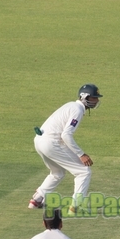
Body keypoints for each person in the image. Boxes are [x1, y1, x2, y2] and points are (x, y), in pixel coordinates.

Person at [28, 84, 102, 213]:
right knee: (84, 171)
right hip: (51, 143)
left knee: (57, 173)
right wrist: (81, 154)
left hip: (39, 141)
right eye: (94, 98)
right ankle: (76, 206)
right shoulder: (77, 110)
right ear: (85, 97)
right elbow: (66, 135)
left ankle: (36, 200)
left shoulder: (70, 105)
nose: (97, 101)